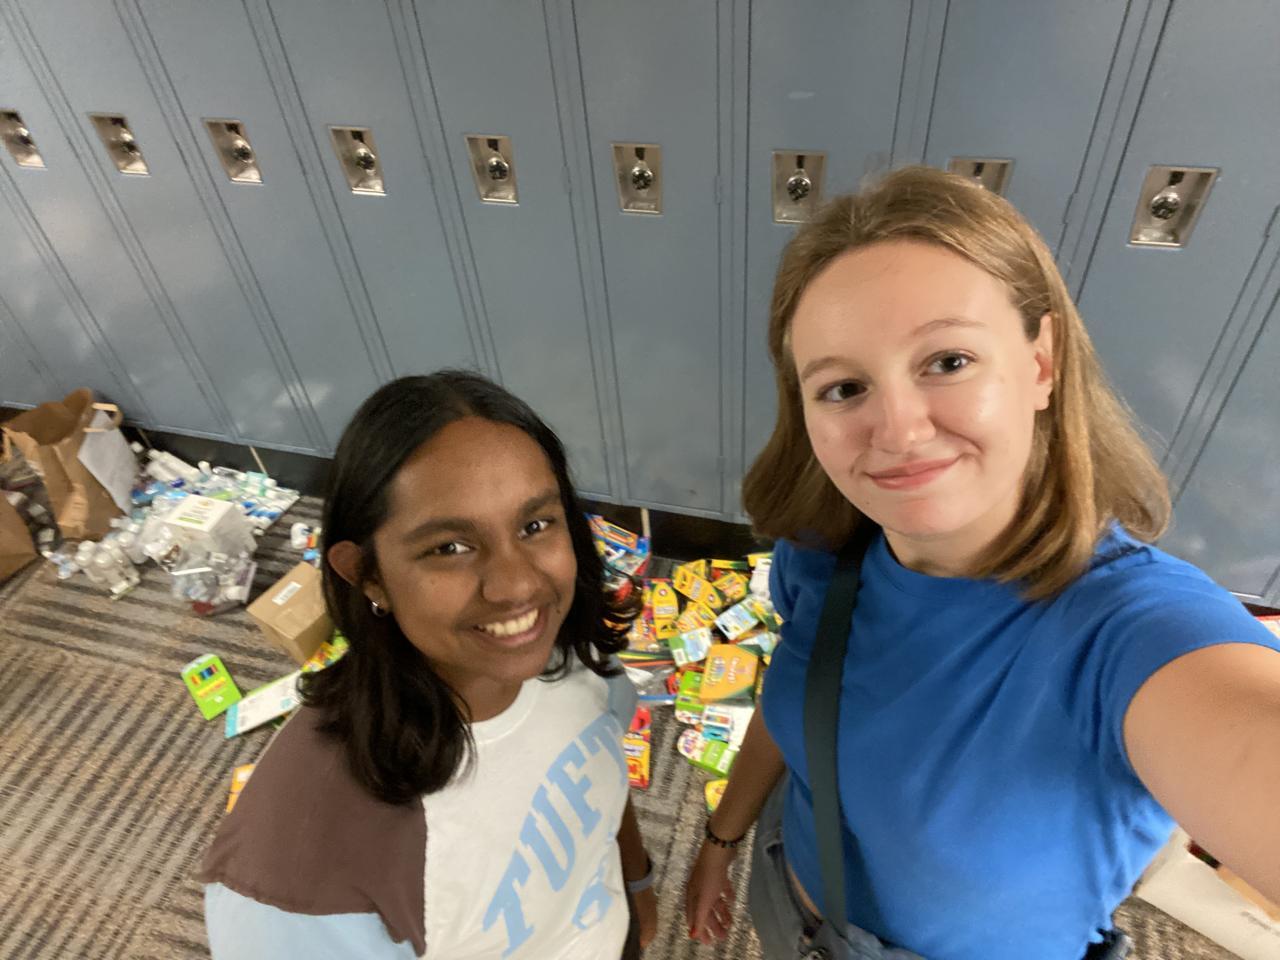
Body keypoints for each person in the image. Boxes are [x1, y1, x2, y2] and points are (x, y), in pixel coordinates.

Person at [684, 166, 1280, 960]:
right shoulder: (821, 552)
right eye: (844, 387)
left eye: (947, 361)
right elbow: (794, 701)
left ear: (1041, 363)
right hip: (790, 905)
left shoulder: (1130, 633)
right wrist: (720, 841)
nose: (899, 431)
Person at [199, 371, 658, 958]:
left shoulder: (573, 654)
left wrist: (635, 883)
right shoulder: (291, 883)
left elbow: (601, 785)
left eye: (535, 525)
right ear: (368, 575)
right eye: (450, 548)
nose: (519, 585)